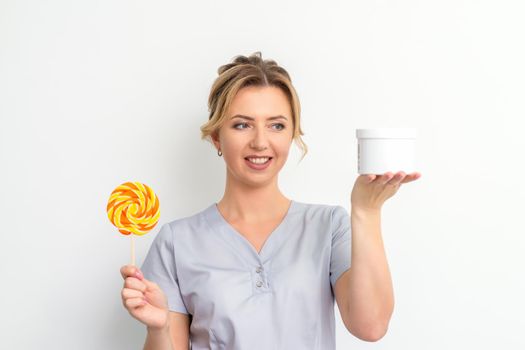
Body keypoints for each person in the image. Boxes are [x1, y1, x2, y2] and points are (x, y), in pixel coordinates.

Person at [119, 52, 421, 350]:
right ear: (216, 138)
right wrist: (158, 330)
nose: (261, 142)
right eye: (241, 124)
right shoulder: (177, 241)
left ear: (291, 134)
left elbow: (371, 326)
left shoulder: (329, 227)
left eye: (276, 125)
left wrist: (366, 211)